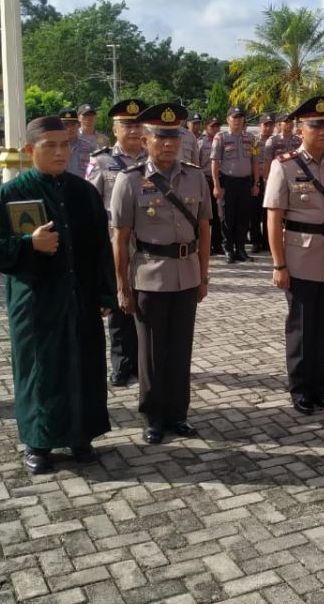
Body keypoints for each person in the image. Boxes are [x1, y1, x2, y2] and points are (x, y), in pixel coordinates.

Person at [0, 116, 115, 475]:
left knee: (82, 365)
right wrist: (27, 243)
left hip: (80, 297)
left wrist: (105, 293)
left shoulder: (82, 192)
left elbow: (101, 247)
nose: (59, 152)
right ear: (29, 150)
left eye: (64, 145)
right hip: (36, 300)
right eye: (49, 146)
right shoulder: (10, 194)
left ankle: (80, 435)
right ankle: (38, 442)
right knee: (40, 370)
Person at [110, 103, 209, 444]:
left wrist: (204, 275)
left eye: (174, 137)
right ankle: (154, 416)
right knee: (151, 352)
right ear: (146, 139)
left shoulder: (196, 176)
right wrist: (122, 287)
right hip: (148, 276)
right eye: (160, 138)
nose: (168, 144)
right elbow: (120, 238)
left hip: (187, 274)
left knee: (180, 348)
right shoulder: (130, 180)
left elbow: (206, 229)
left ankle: (178, 414)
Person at [265, 96, 324, 415]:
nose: (323, 130)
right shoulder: (285, 166)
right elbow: (274, 218)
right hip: (300, 257)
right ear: (300, 129)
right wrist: (279, 264)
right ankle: (300, 389)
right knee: (302, 328)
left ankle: (321, 389)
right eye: (315, 125)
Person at [86, 98, 149, 387]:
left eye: (137, 125)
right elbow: (91, 204)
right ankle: (122, 364)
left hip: (148, 243)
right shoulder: (102, 161)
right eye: (127, 126)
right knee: (121, 302)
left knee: (146, 302)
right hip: (116, 241)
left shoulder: (153, 160)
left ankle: (145, 361)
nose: (134, 131)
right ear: (115, 129)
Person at [211, 106, 260, 263]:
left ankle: (240, 249)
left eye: (240, 117)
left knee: (243, 217)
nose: (238, 120)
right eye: (234, 117)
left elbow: (255, 162)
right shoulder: (221, 137)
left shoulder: (251, 139)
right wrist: (216, 185)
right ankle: (228, 249)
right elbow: (214, 162)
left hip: (245, 182)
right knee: (228, 217)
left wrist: (256, 183)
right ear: (228, 120)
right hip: (228, 182)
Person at [198, 116, 225, 255]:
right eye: (212, 126)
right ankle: (205, 246)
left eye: (217, 126)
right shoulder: (201, 143)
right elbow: (195, 164)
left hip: (219, 181)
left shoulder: (222, 141)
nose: (215, 129)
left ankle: (217, 244)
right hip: (205, 181)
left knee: (218, 215)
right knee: (205, 215)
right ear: (206, 127)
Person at [250, 113, 276, 253]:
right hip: (257, 180)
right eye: (265, 125)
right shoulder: (255, 141)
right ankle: (255, 241)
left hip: (272, 180)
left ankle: (268, 241)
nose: (268, 127)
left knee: (269, 212)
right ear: (260, 126)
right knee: (255, 212)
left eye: (270, 125)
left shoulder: (276, 141)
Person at [60, 107, 95, 177]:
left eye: (73, 124)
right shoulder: (54, 148)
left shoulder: (89, 147)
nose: (70, 128)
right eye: (65, 125)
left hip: (82, 186)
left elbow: (93, 172)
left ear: (78, 125)